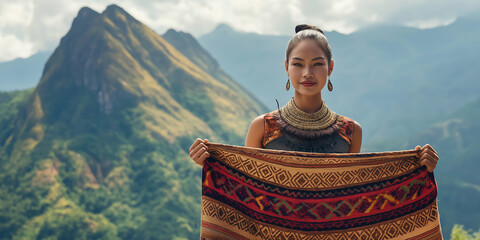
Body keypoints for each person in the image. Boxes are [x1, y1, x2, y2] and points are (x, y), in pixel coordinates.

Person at [189, 24, 438, 172]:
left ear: (330, 67)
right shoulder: (262, 127)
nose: (307, 73)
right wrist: (213, 165)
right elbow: (244, 189)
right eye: (298, 64)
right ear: (286, 67)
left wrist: (416, 168)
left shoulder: (351, 131)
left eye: (317, 64)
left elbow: (354, 196)